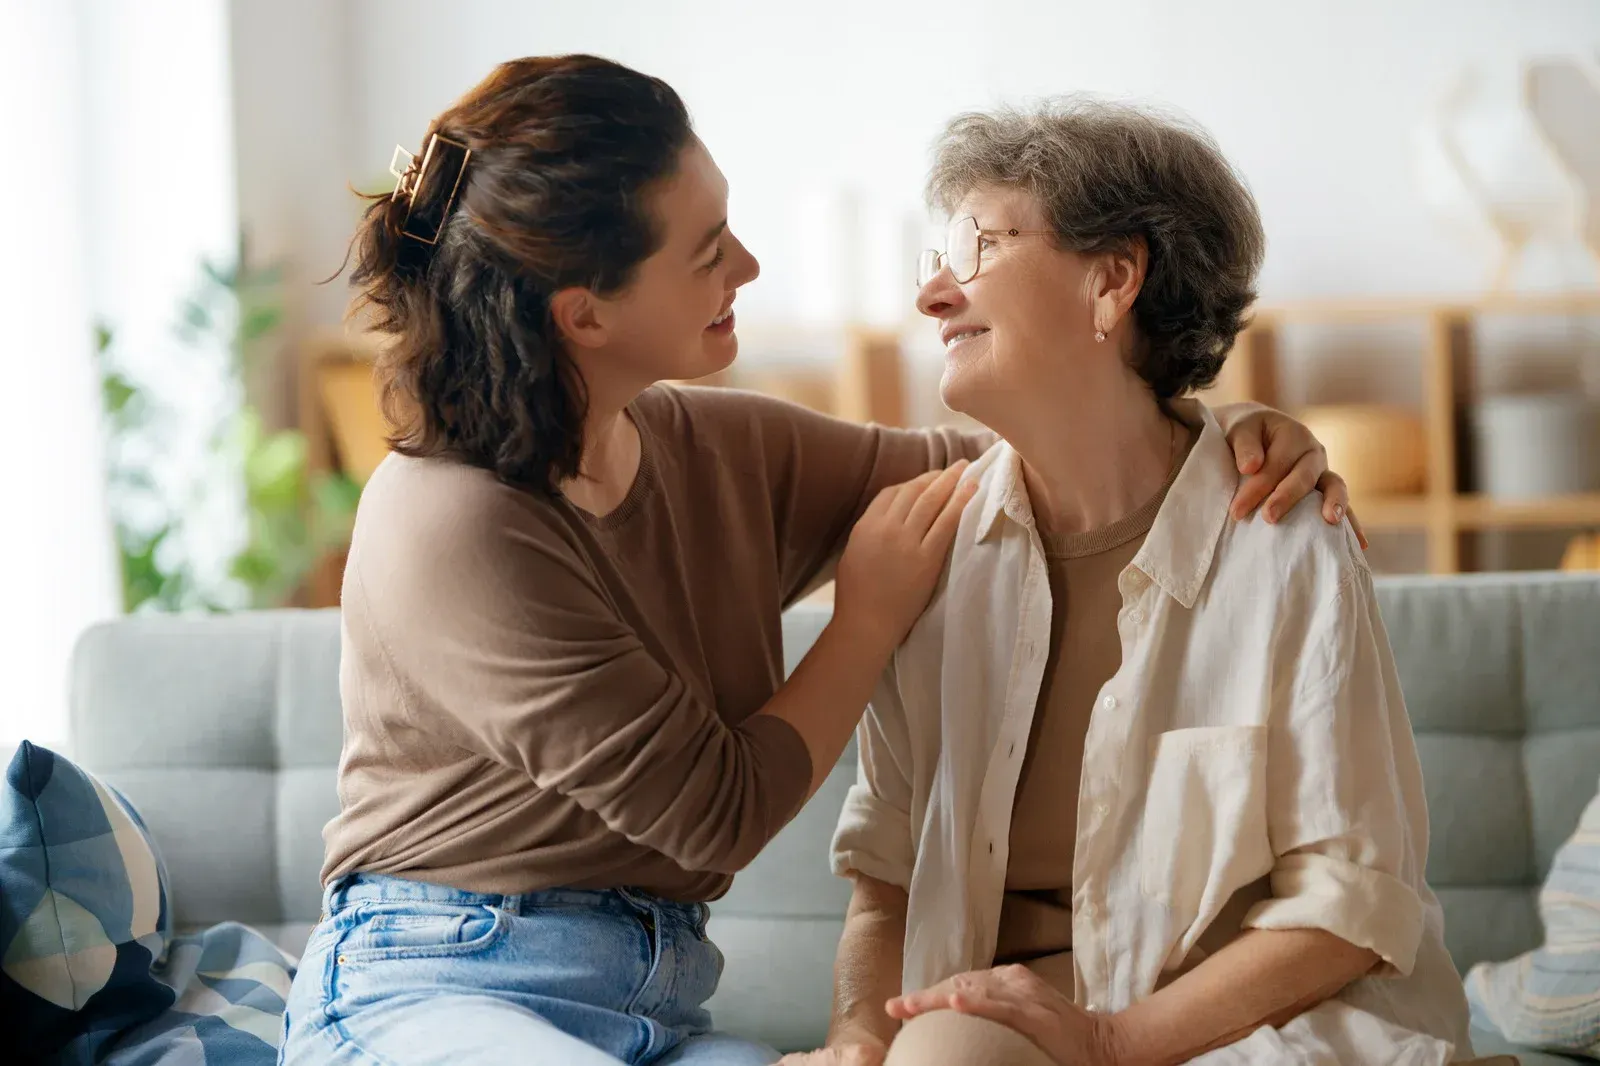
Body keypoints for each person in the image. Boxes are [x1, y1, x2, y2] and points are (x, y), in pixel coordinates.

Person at [277, 57, 1359, 1066]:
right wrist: (864, 622)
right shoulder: (451, 523)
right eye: (708, 252)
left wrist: (1228, 434)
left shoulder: (718, 447)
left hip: (652, 1005)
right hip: (438, 978)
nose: (747, 267)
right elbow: (714, 809)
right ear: (585, 314)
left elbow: (1029, 467)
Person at [807, 98, 1474, 1066]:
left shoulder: (1285, 538)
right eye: (935, 259)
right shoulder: (930, 554)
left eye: (976, 247)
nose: (933, 296)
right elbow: (885, 880)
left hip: (1249, 1023)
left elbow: (1347, 905)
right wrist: (854, 1038)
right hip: (996, 1025)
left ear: (1113, 280)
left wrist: (1112, 1040)